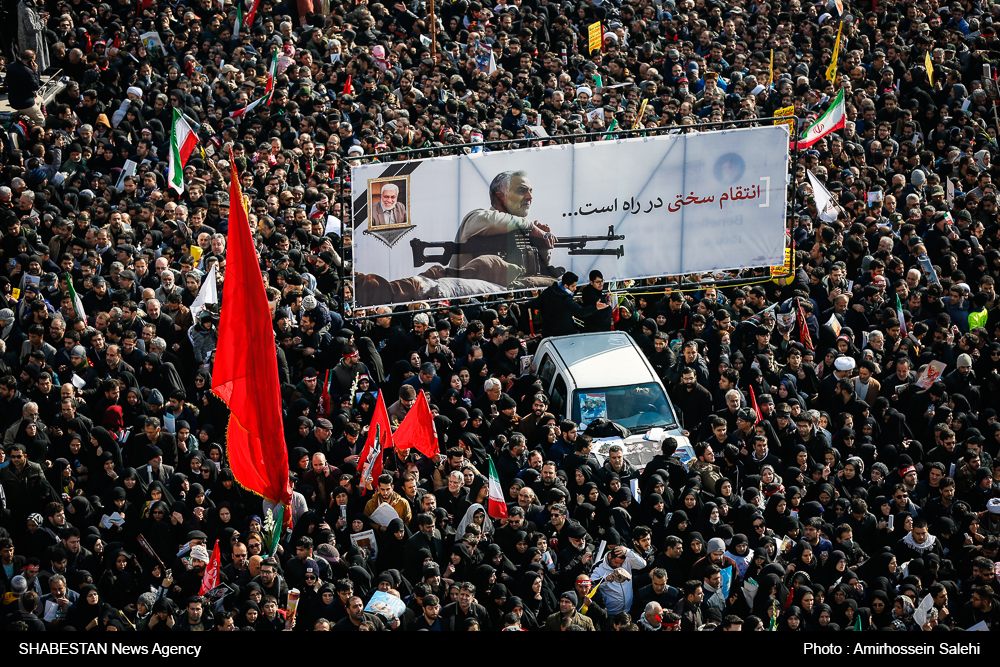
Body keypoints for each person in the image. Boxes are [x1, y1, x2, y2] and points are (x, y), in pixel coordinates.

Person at [452, 170, 559, 283]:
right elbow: (492, 221)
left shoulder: (521, 229)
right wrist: (531, 226)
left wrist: (542, 244)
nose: (529, 197)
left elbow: (539, 272)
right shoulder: (477, 218)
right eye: (521, 190)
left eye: (530, 191)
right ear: (499, 197)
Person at [532, 272, 609, 337]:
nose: (575, 289)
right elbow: (580, 312)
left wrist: (525, 302)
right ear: (566, 286)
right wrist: (595, 307)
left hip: (548, 333)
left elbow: (536, 303)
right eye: (573, 286)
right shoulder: (566, 300)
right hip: (563, 335)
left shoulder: (549, 291)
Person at [6, 50, 43, 126]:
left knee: (39, 99)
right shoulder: (28, 71)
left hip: (13, 99)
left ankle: (31, 124)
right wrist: (35, 72)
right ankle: (37, 134)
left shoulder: (11, 66)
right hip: (24, 103)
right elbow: (35, 86)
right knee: (41, 119)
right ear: (31, 60)